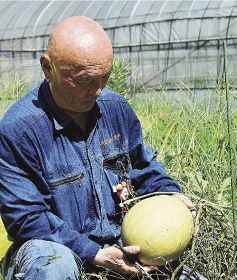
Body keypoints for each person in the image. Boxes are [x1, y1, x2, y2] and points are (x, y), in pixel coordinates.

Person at [0, 16, 202, 280]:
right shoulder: (20, 130)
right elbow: (26, 219)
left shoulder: (116, 109)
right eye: (84, 80)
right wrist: (93, 253)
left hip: (122, 247)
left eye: (104, 77)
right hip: (59, 248)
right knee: (54, 265)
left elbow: (142, 167)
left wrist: (172, 196)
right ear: (48, 68)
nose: (97, 91)